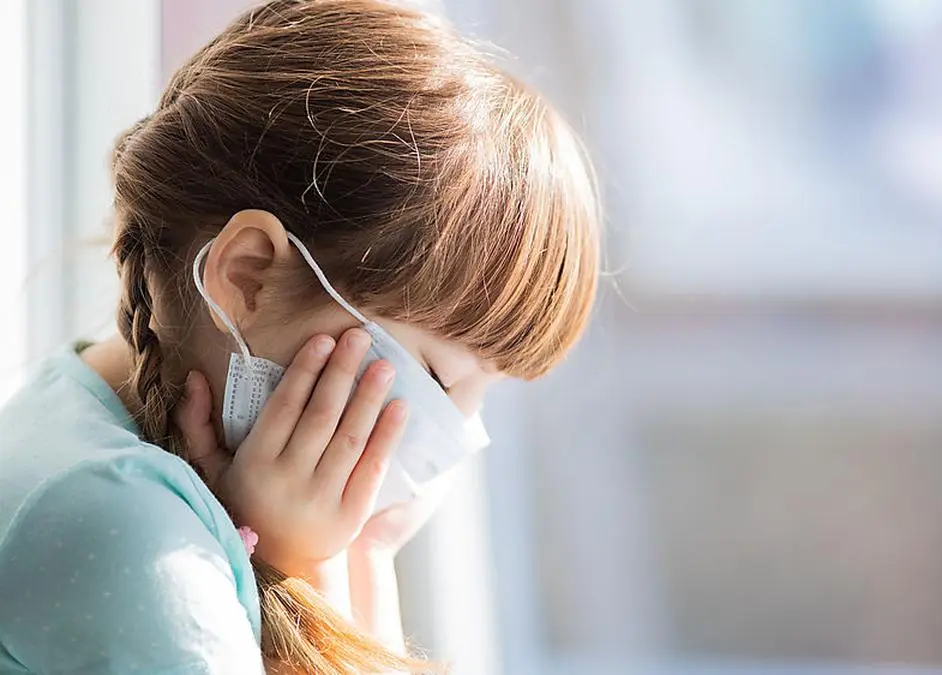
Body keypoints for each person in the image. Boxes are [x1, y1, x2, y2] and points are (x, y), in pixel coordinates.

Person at [0, 0, 600, 672]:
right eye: (438, 378)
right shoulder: (129, 533)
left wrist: (352, 551)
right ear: (247, 275)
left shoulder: (82, 404)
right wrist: (308, 569)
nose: (457, 434)